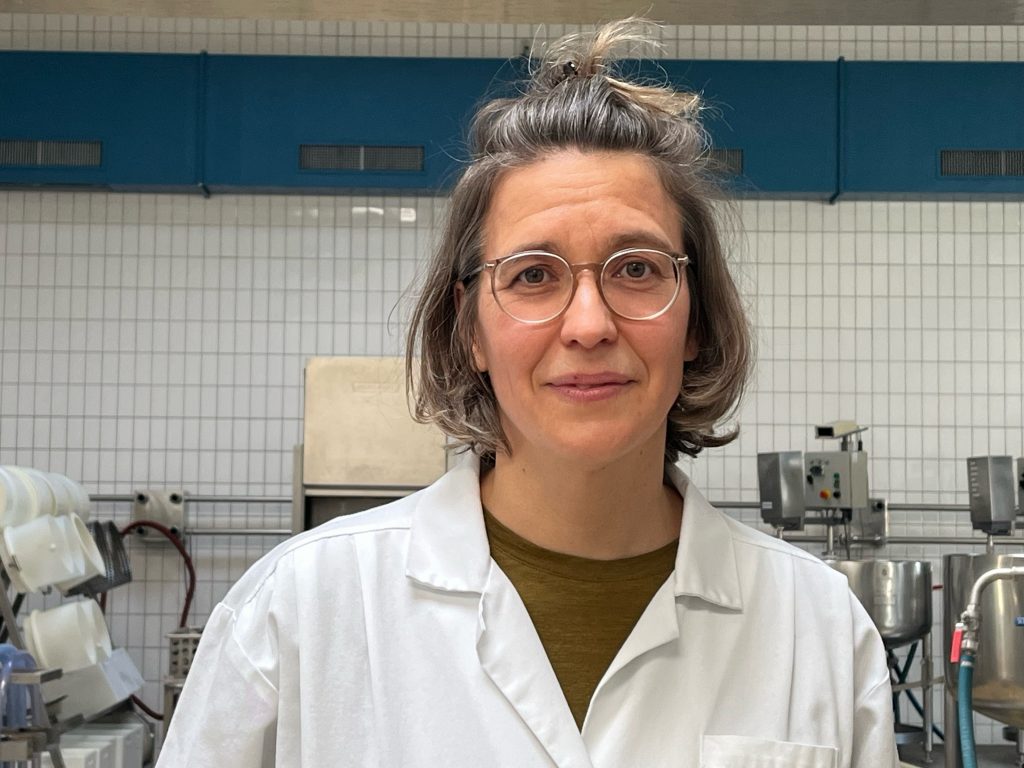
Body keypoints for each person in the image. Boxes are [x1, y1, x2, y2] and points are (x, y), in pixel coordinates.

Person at [157, 20, 898, 768]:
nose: (589, 325)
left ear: (695, 319)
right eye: (533, 275)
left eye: (637, 269)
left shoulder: (820, 629)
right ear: (471, 329)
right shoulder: (294, 613)